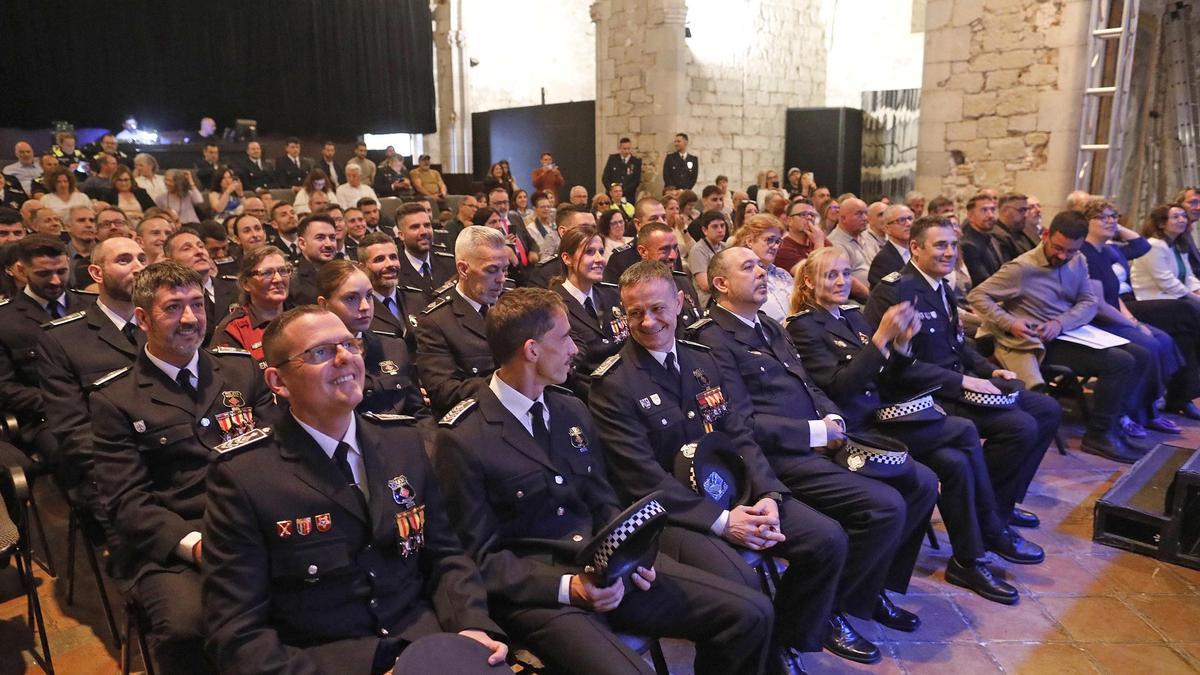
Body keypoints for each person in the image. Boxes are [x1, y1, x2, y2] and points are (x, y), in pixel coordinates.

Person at [433, 286, 772, 674]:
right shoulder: (463, 437)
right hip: (542, 594)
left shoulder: (570, 409)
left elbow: (604, 501)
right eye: (564, 339)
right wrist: (569, 587)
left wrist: (631, 555)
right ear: (532, 350)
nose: (575, 349)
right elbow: (478, 558)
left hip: (608, 568)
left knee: (751, 613)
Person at [589, 260, 872, 663]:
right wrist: (724, 523)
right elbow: (641, 479)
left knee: (827, 540)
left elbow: (738, 433)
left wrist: (768, 492)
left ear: (680, 302)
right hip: (674, 514)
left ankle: (781, 645)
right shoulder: (613, 383)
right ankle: (758, 652)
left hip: (732, 489)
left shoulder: (702, 360)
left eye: (658, 309)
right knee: (739, 581)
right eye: (635, 312)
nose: (647, 322)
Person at [202, 305, 506, 673]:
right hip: (329, 660)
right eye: (320, 352)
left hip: (423, 641)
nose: (345, 357)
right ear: (278, 383)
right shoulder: (246, 474)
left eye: (349, 344)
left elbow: (444, 555)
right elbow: (237, 634)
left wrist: (467, 624)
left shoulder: (403, 441)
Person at [692, 246, 943, 643]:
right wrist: (817, 432)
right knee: (885, 506)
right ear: (721, 284)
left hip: (824, 439)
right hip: (782, 456)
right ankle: (828, 611)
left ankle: (869, 588)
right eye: (748, 267)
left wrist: (834, 419)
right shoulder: (712, 339)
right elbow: (740, 422)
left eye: (761, 265)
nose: (762, 272)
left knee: (922, 482)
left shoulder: (769, 327)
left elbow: (809, 385)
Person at [787, 247, 1039, 604]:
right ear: (809, 283)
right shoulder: (803, 327)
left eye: (845, 273)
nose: (842, 281)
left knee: (955, 462)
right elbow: (841, 387)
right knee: (966, 431)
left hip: (885, 417)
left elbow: (886, 373)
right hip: (856, 431)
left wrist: (901, 345)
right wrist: (880, 339)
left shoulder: (852, 317)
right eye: (831, 275)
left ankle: (966, 560)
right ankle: (990, 531)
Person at [91, 261, 276, 675]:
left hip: (251, 525)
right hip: (176, 542)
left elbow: (274, 454)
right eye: (173, 307)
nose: (190, 318)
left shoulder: (239, 369)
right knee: (190, 627)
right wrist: (194, 545)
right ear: (141, 318)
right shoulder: (116, 399)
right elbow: (126, 502)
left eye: (196, 304)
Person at [865, 217, 1061, 525]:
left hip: (958, 385)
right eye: (940, 245)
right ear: (915, 248)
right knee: (1019, 426)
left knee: (1047, 409)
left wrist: (989, 370)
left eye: (953, 245)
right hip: (924, 398)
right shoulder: (896, 291)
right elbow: (895, 369)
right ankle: (989, 515)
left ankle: (1001, 503)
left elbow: (957, 343)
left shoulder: (940, 285)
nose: (950, 253)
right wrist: (965, 380)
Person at [969, 210, 1153, 463]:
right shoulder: (1023, 267)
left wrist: (1061, 322)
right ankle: (1099, 435)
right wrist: (1010, 322)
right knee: (1120, 362)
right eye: (1058, 248)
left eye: (1071, 250)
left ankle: (1116, 423)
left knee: (1141, 354)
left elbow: (1088, 301)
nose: (1062, 256)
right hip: (1037, 341)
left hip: (1067, 332)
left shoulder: (1078, 260)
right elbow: (977, 295)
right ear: (1045, 235)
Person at [39, 237, 147, 545]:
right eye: (124, 260)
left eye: (142, 258)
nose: (138, 267)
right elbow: (73, 429)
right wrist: (125, 469)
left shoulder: (162, 322)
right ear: (97, 273)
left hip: (175, 459)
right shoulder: (64, 339)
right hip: (114, 472)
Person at [1080, 200, 1196, 428]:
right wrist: (1132, 324)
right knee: (1150, 345)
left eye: (1114, 216)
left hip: (1119, 310)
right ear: (1086, 223)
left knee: (1164, 339)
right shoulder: (1086, 253)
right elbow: (1100, 304)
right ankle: (1128, 413)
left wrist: (1133, 321)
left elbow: (1139, 246)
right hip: (1096, 320)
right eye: (1103, 217)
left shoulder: (1107, 250)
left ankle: (1149, 408)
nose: (1111, 221)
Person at [0, 235, 96, 465]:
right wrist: (66, 402)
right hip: (47, 418)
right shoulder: (5, 321)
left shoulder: (93, 307)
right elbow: (5, 387)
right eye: (43, 274)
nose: (55, 281)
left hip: (104, 409)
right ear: (22, 270)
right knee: (84, 457)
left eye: (61, 272)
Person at [315, 260, 429, 420]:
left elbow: (419, 414)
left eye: (368, 296)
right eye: (351, 298)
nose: (365, 306)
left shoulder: (393, 347)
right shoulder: (313, 357)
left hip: (401, 439)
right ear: (324, 304)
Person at [416, 226, 510, 414]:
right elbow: (444, 393)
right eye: (491, 270)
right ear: (463, 269)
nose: (501, 279)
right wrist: (510, 381)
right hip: (477, 417)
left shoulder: (513, 304)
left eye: (504, 270)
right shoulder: (436, 322)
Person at [547, 225, 626, 399]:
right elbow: (565, 368)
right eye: (590, 252)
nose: (600, 259)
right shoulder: (553, 305)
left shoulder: (611, 295)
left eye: (601, 251)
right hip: (585, 396)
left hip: (625, 388)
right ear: (567, 258)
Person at [211, 246, 290, 367]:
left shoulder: (301, 317)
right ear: (246, 283)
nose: (278, 279)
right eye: (267, 273)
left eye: (283, 271)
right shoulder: (232, 330)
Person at [164, 229, 239, 345]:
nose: (199, 252)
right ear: (170, 261)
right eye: (187, 248)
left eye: (201, 246)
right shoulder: (169, 300)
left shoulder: (236, 288)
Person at [357, 232, 428, 347]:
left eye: (393, 257)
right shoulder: (360, 308)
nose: (390, 264)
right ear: (362, 268)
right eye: (379, 259)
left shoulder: (417, 300)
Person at [1130, 202, 1200, 310]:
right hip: (1155, 300)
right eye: (1176, 217)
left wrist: (1198, 291)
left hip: (1176, 297)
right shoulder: (1153, 245)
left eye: (1184, 216)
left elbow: (1189, 277)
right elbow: (1167, 282)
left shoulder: (1178, 244)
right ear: (1161, 224)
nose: (1182, 220)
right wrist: (1194, 298)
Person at [730, 214, 793, 322]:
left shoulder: (783, 274)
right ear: (750, 241)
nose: (775, 246)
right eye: (770, 240)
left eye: (778, 241)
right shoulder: (740, 277)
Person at [825, 197, 872, 301]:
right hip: (857, 299)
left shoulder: (866, 236)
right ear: (843, 218)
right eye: (859, 214)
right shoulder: (835, 243)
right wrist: (872, 298)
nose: (865, 218)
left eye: (866, 213)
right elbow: (846, 279)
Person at [287, 214, 339, 305]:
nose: (329, 244)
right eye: (320, 238)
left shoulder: (343, 271)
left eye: (332, 238)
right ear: (302, 244)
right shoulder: (290, 278)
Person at [959, 193, 1010, 284]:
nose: (990, 215)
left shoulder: (993, 239)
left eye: (992, 210)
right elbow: (983, 281)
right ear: (970, 216)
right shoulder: (968, 245)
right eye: (984, 210)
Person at [867, 204, 915, 287]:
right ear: (887, 228)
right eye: (901, 220)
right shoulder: (883, 260)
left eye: (910, 218)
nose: (908, 223)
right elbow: (887, 293)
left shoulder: (918, 251)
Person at [996, 193, 1038, 257]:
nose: (1025, 215)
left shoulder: (1027, 229)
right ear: (1005, 211)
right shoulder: (996, 236)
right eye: (1021, 210)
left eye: (1026, 210)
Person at [525, 191, 561, 257]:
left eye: (548, 206)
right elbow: (537, 249)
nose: (546, 209)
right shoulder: (531, 228)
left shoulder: (554, 224)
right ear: (535, 209)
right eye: (542, 207)